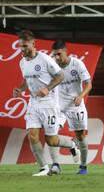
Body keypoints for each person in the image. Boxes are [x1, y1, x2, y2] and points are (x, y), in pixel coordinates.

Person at [13, 30, 80, 176]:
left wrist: (47, 88)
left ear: (33, 44)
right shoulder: (22, 62)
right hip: (33, 103)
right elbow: (26, 80)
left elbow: (60, 76)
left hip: (49, 104)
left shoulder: (44, 59)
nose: (22, 49)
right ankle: (44, 168)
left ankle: (73, 144)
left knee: (51, 140)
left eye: (25, 46)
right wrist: (20, 88)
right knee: (32, 135)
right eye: (20, 46)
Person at [48, 40, 92, 175]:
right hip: (58, 104)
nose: (56, 57)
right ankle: (55, 165)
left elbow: (89, 84)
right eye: (54, 55)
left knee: (81, 136)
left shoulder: (77, 64)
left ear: (66, 51)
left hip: (75, 104)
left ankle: (83, 167)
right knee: (51, 133)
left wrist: (81, 96)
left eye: (59, 54)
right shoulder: (52, 65)